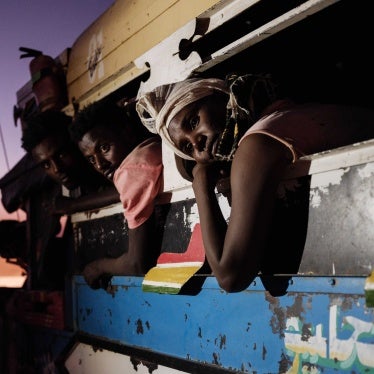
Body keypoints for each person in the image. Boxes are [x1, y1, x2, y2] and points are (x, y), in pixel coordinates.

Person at [136, 73, 374, 293]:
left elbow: (230, 276)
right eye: (188, 148)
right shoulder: (280, 117)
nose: (197, 143)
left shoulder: (256, 144)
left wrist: (200, 185)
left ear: (222, 98)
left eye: (193, 121)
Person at [69, 98, 163, 288]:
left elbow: (137, 264)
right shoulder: (150, 147)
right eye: (90, 160)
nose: (99, 165)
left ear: (126, 132)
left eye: (104, 148)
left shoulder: (129, 170)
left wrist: (97, 266)